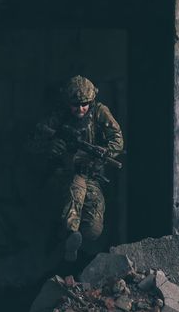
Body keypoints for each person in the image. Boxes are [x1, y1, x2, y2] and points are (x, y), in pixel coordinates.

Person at [28, 75, 124, 261]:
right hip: (64, 174)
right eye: (75, 105)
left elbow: (117, 140)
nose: (80, 109)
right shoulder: (58, 116)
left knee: (93, 229)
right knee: (76, 188)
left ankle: (68, 236)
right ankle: (68, 234)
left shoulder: (99, 112)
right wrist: (51, 146)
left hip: (92, 175)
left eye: (84, 104)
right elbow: (32, 142)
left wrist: (103, 152)